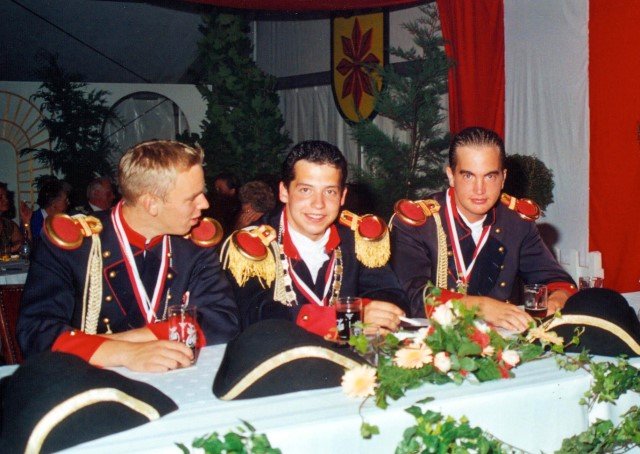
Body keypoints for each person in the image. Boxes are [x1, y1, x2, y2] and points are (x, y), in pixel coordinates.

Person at [18, 140, 240, 372]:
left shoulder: (195, 246)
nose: (204, 204)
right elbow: (35, 331)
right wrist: (125, 353)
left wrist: (132, 340)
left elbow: (223, 320)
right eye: (192, 197)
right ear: (151, 204)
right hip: (89, 379)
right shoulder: (74, 244)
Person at [391, 127, 576, 332]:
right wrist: (481, 307)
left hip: (503, 341)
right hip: (430, 340)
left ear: (503, 178)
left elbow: (557, 281)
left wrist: (556, 300)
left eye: (490, 177)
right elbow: (414, 297)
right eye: (468, 176)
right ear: (451, 176)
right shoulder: (417, 223)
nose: (479, 189)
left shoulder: (516, 222)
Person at [222, 140, 409, 334]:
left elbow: (392, 296)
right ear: (284, 192)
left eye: (330, 192)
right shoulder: (252, 246)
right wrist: (349, 320)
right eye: (305, 190)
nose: (318, 204)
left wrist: (373, 314)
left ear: (342, 196)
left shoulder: (358, 239)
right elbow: (256, 315)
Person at [22, 176, 70, 242]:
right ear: (53, 203)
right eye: (65, 200)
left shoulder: (64, 219)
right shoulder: (32, 221)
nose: (68, 202)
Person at [0, 183, 23, 255]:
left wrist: (27, 221)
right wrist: (10, 249)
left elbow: (25, 247)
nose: (6, 200)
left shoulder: (9, 224)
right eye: (0, 197)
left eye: (6, 196)